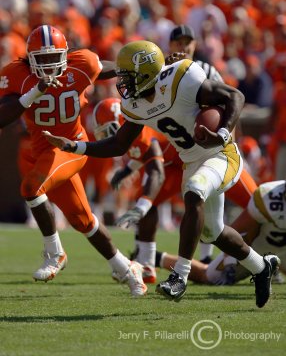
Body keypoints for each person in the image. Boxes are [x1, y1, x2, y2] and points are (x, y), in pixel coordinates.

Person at [44, 40, 280, 308]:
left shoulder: (183, 78)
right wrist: (75, 146)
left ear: (145, 72)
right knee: (213, 232)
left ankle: (179, 276)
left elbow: (234, 96)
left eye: (127, 75)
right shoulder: (136, 104)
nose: (122, 82)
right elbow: (118, 144)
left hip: (221, 154)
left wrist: (222, 134)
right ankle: (261, 267)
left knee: (194, 190)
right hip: (192, 161)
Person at [0, 24, 146, 296]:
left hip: (71, 148)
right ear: (29, 58)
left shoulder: (82, 64)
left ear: (66, 55)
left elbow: (102, 67)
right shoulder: (16, 75)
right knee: (84, 221)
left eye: (53, 57)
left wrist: (136, 66)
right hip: (43, 152)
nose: (48, 64)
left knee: (31, 188)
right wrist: (35, 92)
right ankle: (126, 268)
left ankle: (54, 253)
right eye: (41, 59)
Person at [93, 97, 258, 284]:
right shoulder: (135, 127)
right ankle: (147, 264)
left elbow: (155, 169)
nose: (108, 137)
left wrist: (142, 204)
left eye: (110, 131)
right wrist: (127, 171)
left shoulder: (141, 124)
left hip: (210, 157)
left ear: (122, 122)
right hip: (176, 165)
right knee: (153, 202)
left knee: (258, 202)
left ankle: (266, 253)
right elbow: (148, 154)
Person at [168, 24, 257, 264]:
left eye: (188, 42)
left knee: (255, 202)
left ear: (195, 44)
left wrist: (227, 138)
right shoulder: (164, 72)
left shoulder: (206, 70)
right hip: (186, 150)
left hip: (217, 148)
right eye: (178, 42)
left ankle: (255, 256)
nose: (184, 47)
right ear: (170, 46)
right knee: (196, 205)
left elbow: (230, 104)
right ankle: (206, 260)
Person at [157, 180, 286, 285]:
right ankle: (157, 258)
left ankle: (274, 269)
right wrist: (231, 260)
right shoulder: (268, 197)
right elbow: (237, 234)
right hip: (259, 248)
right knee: (208, 276)